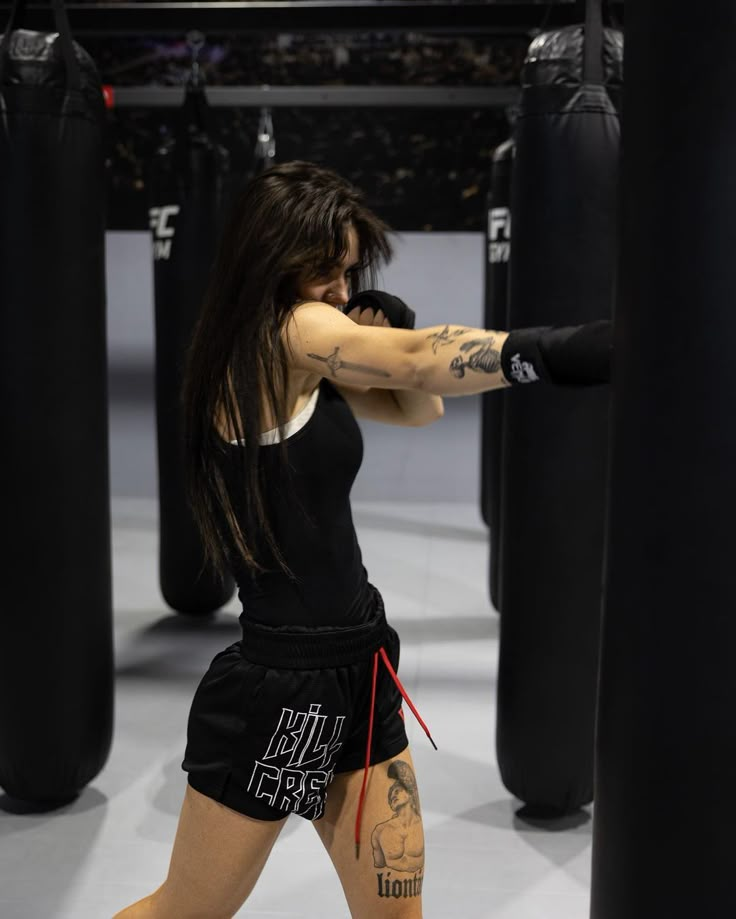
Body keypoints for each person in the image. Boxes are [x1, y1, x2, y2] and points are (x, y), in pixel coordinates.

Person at [114, 160, 610, 919]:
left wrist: (380, 340)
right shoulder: (286, 332)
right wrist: (568, 350)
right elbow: (417, 363)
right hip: (283, 688)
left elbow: (420, 409)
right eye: (329, 272)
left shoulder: (308, 353)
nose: (343, 292)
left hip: (361, 668)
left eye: (350, 273)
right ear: (278, 259)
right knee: (183, 912)